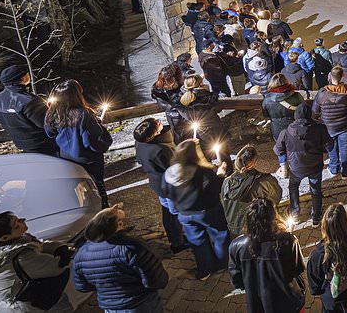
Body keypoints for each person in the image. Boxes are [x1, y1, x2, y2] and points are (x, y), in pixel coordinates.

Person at [0, 211, 74, 313]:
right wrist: (67, 253)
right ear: (5, 237)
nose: (23, 220)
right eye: (16, 223)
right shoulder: (22, 258)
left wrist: (57, 247)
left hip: (9, 303)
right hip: (29, 306)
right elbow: (57, 267)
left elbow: (36, 244)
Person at [72, 205, 169, 313]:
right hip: (140, 304)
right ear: (118, 225)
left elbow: (82, 287)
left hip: (111, 308)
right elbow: (157, 280)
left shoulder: (81, 254)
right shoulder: (132, 247)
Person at [164, 139, 230, 280]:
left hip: (185, 214)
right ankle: (223, 264)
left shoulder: (169, 173)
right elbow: (214, 189)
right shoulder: (202, 172)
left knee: (198, 242)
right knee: (220, 236)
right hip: (207, 211)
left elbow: (167, 193)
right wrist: (220, 174)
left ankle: (205, 270)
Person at [229, 198, 307, 313]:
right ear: (273, 216)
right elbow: (297, 268)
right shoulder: (288, 240)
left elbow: (237, 281)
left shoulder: (236, 245)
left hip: (258, 306)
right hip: (289, 303)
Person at [43, 79, 112, 206]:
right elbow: (91, 142)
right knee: (98, 185)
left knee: (77, 187)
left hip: (66, 157)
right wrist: (100, 130)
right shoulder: (83, 115)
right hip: (88, 159)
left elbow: (50, 133)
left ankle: (83, 207)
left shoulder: (51, 113)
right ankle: (103, 209)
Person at [132, 118, 188, 254]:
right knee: (175, 213)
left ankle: (175, 238)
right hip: (169, 187)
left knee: (167, 212)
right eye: (156, 123)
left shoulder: (141, 144)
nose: (159, 120)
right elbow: (174, 169)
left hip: (157, 184)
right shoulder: (159, 150)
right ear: (155, 133)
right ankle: (179, 242)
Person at [274, 102, 330, 224]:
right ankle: (316, 215)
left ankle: (295, 214)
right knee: (315, 189)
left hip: (296, 167)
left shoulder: (286, 132)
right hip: (314, 166)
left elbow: (278, 149)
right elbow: (329, 146)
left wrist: (284, 162)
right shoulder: (320, 128)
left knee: (293, 188)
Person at [0, 65, 58, 155]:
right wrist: (51, 110)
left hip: (21, 145)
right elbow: (48, 123)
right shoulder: (29, 101)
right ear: (23, 78)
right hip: (44, 145)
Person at [222, 145, 283, 238]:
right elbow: (275, 199)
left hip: (234, 228)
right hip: (258, 227)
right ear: (254, 162)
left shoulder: (226, 182)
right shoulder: (266, 181)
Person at [312, 66, 347, 179]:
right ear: (342, 76)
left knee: (331, 146)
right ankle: (345, 171)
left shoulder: (322, 92)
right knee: (345, 147)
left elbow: (315, 110)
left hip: (328, 125)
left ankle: (334, 168)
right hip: (345, 124)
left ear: (330, 76)